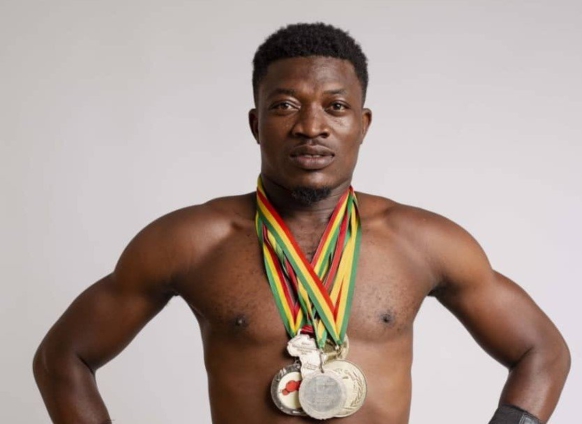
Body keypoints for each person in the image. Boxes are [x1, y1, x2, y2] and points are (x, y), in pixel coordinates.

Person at [33, 23, 570, 424]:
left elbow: (543, 351)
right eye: (286, 106)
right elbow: (63, 358)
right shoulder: (191, 240)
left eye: (336, 107)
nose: (311, 127)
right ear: (256, 123)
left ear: (362, 124)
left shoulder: (423, 241)